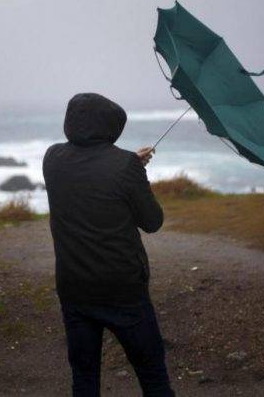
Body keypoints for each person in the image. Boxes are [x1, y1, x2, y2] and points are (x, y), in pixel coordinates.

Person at [43, 92, 175, 397]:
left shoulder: (52, 159)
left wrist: (130, 165)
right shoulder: (124, 166)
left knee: (84, 377)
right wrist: (134, 169)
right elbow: (152, 221)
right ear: (111, 128)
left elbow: (92, 172)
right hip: (123, 290)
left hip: (74, 287)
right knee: (152, 375)